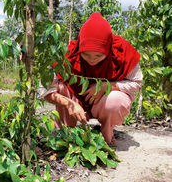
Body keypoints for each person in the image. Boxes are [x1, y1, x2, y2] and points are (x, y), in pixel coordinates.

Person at [42, 12, 142, 145]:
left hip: (103, 102)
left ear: (108, 49)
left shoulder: (123, 53)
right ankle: (64, 134)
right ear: (80, 48)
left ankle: (106, 133)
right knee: (60, 87)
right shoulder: (68, 54)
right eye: (86, 55)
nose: (92, 60)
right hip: (76, 98)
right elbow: (44, 90)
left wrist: (107, 86)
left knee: (116, 100)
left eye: (98, 56)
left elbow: (136, 83)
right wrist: (69, 103)